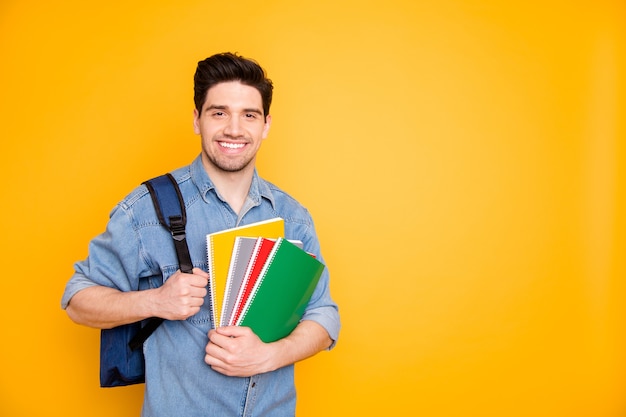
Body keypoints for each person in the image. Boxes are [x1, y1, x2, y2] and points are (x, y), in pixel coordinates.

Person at [61, 52, 340, 416]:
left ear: (266, 125)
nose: (234, 129)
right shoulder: (146, 209)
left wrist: (270, 355)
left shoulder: (293, 216)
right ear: (197, 120)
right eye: (219, 112)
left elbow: (324, 315)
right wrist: (156, 301)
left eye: (249, 115)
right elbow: (77, 299)